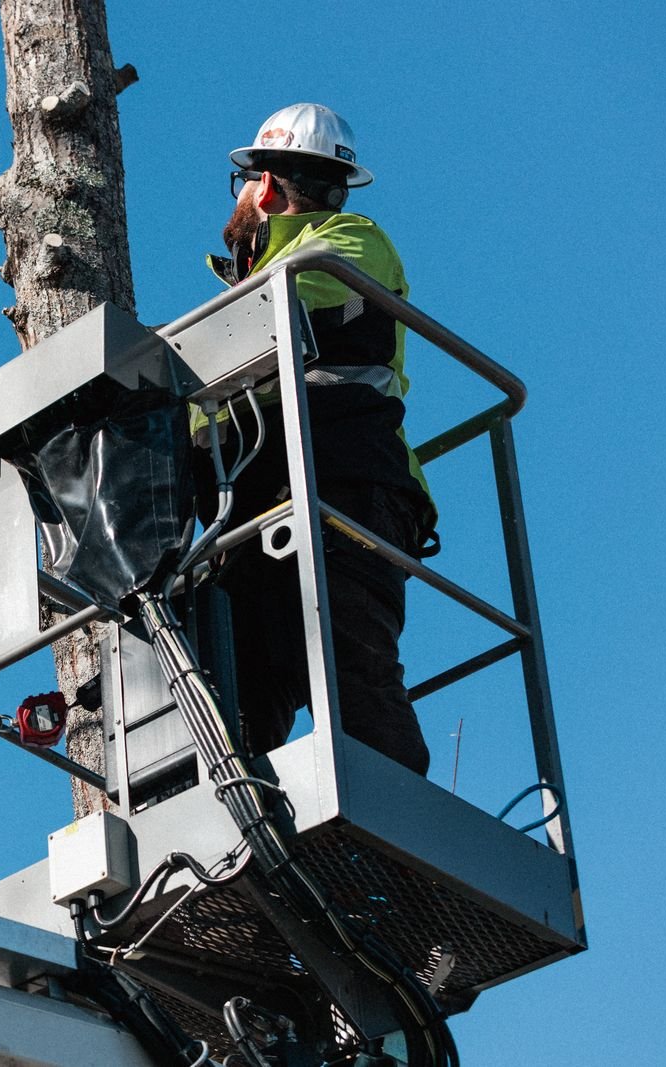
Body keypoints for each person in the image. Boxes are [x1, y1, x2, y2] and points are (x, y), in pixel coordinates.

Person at [196, 103, 434, 775]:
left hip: (351, 490)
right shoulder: (261, 283)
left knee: (350, 665)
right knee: (236, 691)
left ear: (268, 188)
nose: (241, 197)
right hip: (261, 506)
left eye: (246, 181)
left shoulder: (349, 243)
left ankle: (395, 833)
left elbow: (285, 309)